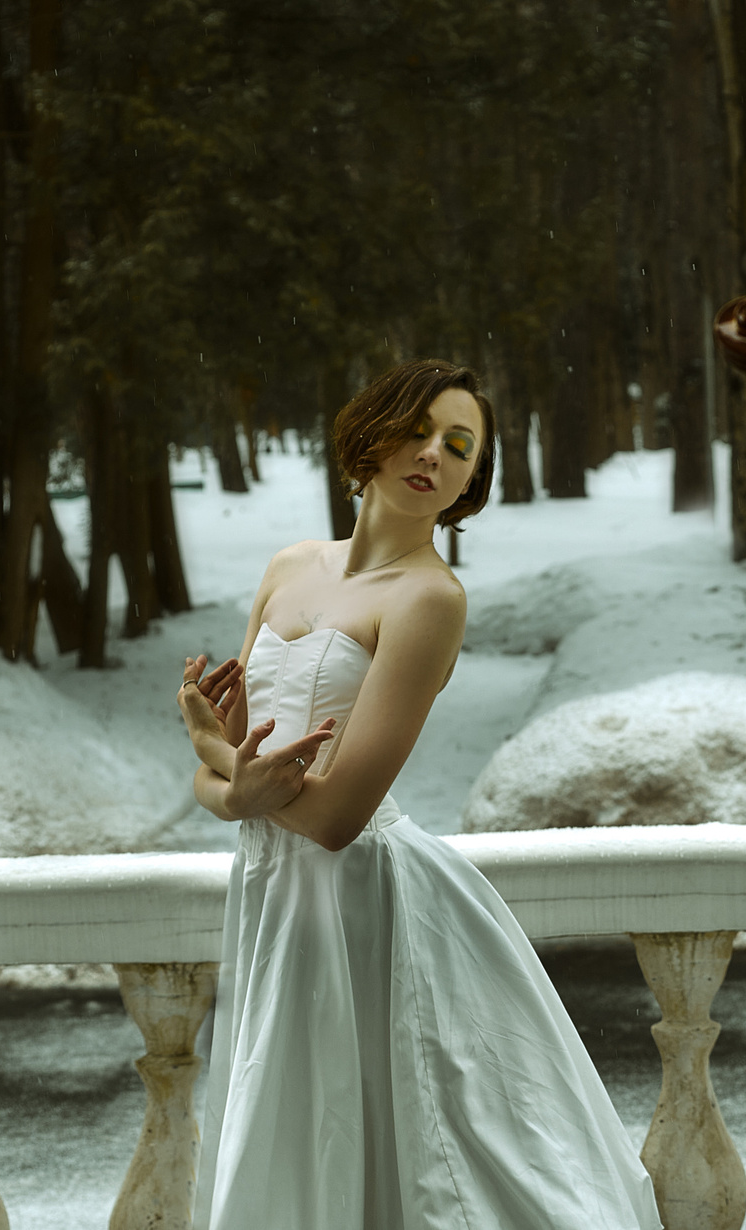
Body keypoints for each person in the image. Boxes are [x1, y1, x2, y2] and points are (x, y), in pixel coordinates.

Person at [174, 358, 663, 1230]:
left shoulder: (431, 598)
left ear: (471, 483)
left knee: (388, 1133)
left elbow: (335, 817)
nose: (434, 452)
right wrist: (224, 771)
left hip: (363, 899)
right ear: (371, 434)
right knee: (291, 1125)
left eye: (460, 446)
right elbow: (219, 780)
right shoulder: (290, 566)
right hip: (272, 893)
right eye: (418, 429)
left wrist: (222, 760)